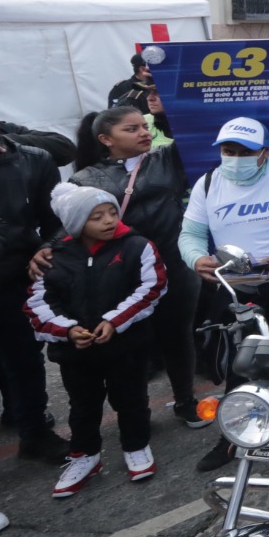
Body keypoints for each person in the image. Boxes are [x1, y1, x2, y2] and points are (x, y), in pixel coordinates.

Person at [180, 117, 269, 471]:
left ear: (263, 153)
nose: (235, 158)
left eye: (245, 152)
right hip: (236, 288)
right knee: (241, 364)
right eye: (229, 151)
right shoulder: (210, 182)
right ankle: (234, 436)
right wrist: (196, 259)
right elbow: (191, 233)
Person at [68, 106, 206, 428]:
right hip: (123, 273)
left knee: (178, 336)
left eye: (144, 127)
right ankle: (136, 412)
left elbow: (191, 130)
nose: (144, 133)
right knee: (132, 343)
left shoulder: (167, 159)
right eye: (131, 129)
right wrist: (47, 250)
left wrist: (163, 112)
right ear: (105, 139)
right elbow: (72, 227)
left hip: (174, 263)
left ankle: (186, 399)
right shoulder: (85, 179)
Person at [26, 183, 166, 496]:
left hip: (126, 346)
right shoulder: (54, 257)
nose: (108, 221)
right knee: (83, 406)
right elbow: (38, 304)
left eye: (111, 212)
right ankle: (85, 456)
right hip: (76, 354)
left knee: (131, 400)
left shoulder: (136, 246)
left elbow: (152, 287)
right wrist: (68, 330)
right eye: (96, 216)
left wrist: (114, 321)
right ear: (75, 224)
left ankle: (136, 446)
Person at [0, 95, 70, 462]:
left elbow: (55, 223)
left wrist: (45, 249)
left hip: (14, 279)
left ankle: (34, 432)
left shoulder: (31, 159)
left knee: (24, 360)